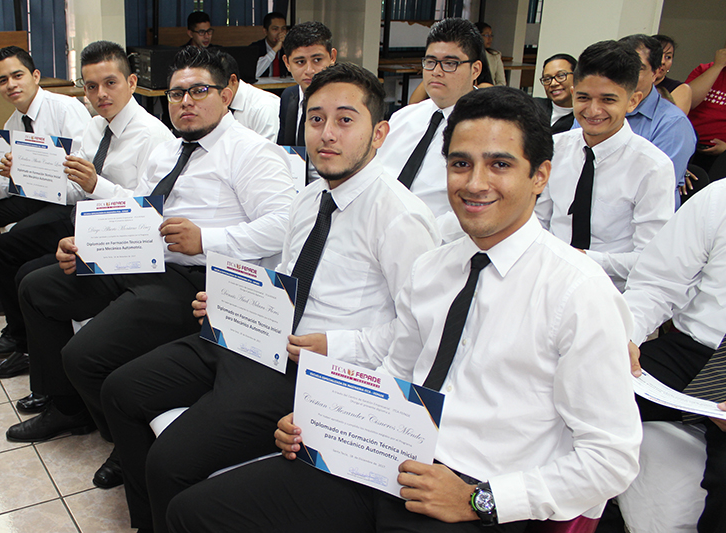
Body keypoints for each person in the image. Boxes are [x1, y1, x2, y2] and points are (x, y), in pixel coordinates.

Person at [164, 86, 642, 533]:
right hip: (387, 457)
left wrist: (482, 500)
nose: (475, 184)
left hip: (478, 490)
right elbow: (396, 371)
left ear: (540, 175)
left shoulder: (578, 292)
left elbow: (611, 458)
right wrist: (326, 417)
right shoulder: (435, 268)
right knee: (194, 512)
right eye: (460, 164)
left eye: (499, 165)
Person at [100, 62, 440, 533]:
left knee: (168, 462)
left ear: (379, 132)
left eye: (345, 120)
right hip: (254, 337)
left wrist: (332, 345)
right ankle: (147, 521)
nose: (326, 134)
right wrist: (231, 298)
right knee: (120, 390)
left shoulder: (399, 217)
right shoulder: (310, 196)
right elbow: (285, 278)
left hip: (305, 368)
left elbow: (418, 333)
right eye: (316, 119)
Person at [4, 47, 296, 489]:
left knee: (82, 356)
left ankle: (128, 445)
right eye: (177, 93)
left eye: (199, 90)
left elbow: (283, 226)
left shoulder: (251, 153)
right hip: (143, 257)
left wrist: (207, 240)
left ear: (229, 90)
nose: (185, 102)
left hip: (195, 278)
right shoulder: (169, 149)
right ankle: (68, 408)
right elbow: (138, 210)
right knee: (39, 287)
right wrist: (86, 242)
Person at [0, 41, 174, 389]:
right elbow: (71, 191)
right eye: (91, 86)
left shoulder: (153, 136)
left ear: (131, 82)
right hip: (85, 225)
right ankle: (44, 375)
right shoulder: (95, 127)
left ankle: (56, 392)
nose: (101, 94)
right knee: (17, 262)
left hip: (122, 242)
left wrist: (96, 184)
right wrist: (23, 173)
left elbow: (148, 214)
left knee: (31, 280)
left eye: (110, 83)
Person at [0, 46, 90, 320]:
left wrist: (30, 169)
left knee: (16, 235)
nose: (11, 85)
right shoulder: (12, 124)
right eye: (2, 80)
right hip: (35, 196)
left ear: (35, 76)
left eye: (17, 75)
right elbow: (3, 188)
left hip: (68, 198)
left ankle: (18, 314)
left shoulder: (65, 109)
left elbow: (82, 172)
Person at [620, 178, 726, 533]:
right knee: (580, 394)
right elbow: (656, 282)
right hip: (694, 350)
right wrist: (627, 337)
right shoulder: (719, 197)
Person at [535, 40, 675, 291]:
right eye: (584, 97)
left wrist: (581, 259)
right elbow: (538, 222)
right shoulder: (554, 148)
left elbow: (650, 258)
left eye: (608, 99)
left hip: (611, 291)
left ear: (632, 101)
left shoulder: (652, 167)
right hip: (548, 279)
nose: (593, 110)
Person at [378, 18, 482, 242]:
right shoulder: (404, 117)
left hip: (437, 242)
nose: (437, 71)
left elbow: (477, 204)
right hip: (376, 233)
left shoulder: (488, 127)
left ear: (475, 69)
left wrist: (415, 234)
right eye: (431, 61)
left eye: (450, 63)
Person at [617, 34, 696, 208]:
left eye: (636, 68)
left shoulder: (673, 123)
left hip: (643, 218)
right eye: (617, 66)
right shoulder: (595, 112)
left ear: (656, 72)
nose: (624, 74)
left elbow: (655, 187)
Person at [276, 21, 337, 146]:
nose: (309, 70)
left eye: (317, 60)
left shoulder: (345, 101)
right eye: (300, 62)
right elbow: (284, 150)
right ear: (287, 63)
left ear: (332, 57)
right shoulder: (288, 96)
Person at [215, 51, 280, 142]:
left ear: (233, 80)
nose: (210, 94)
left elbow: (267, 153)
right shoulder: (212, 105)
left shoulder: (264, 107)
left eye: (215, 87)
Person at [686, 40, 726, 174]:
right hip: (689, 145)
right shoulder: (704, 70)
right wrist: (718, 66)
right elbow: (689, 101)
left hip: (721, 155)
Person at [534, 53, 576, 133]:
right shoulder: (533, 107)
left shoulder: (585, 117)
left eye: (560, 76)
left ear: (577, 77)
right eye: (547, 79)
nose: (553, 83)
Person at [653, 34, 693, 113]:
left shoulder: (680, 89)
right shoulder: (633, 84)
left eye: (668, 57)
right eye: (658, 55)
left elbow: (673, 123)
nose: (662, 62)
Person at [251, 11, 289, 79]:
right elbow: (253, 74)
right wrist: (275, 49)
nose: (280, 33)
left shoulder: (289, 49)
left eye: (283, 29)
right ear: (265, 31)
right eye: (275, 29)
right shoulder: (255, 48)